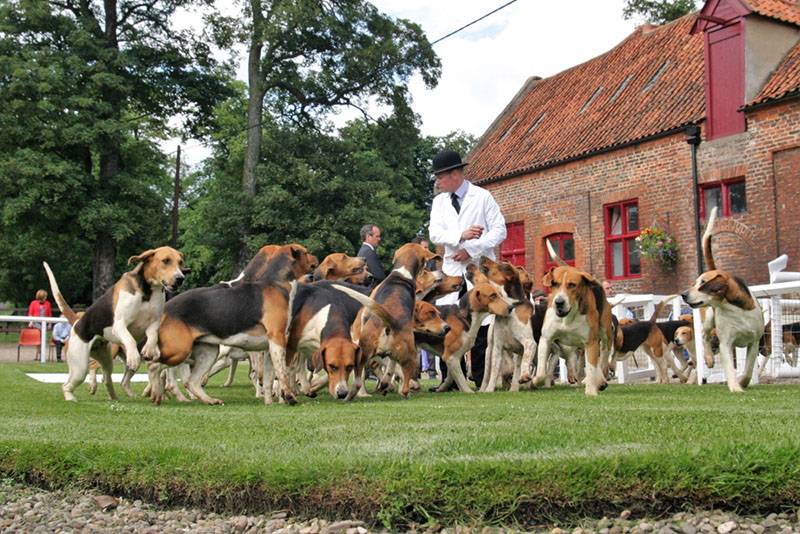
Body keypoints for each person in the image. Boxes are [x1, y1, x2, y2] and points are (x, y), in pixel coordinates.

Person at [428, 148, 507, 389]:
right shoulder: (439, 202)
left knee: (482, 323)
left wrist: (472, 249)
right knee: (447, 322)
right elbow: (435, 234)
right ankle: (449, 379)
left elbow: (499, 231)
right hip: (452, 269)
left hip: (477, 269)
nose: (438, 182)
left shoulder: (482, 197)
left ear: (454, 174)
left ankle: (483, 377)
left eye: (440, 177)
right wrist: (460, 236)